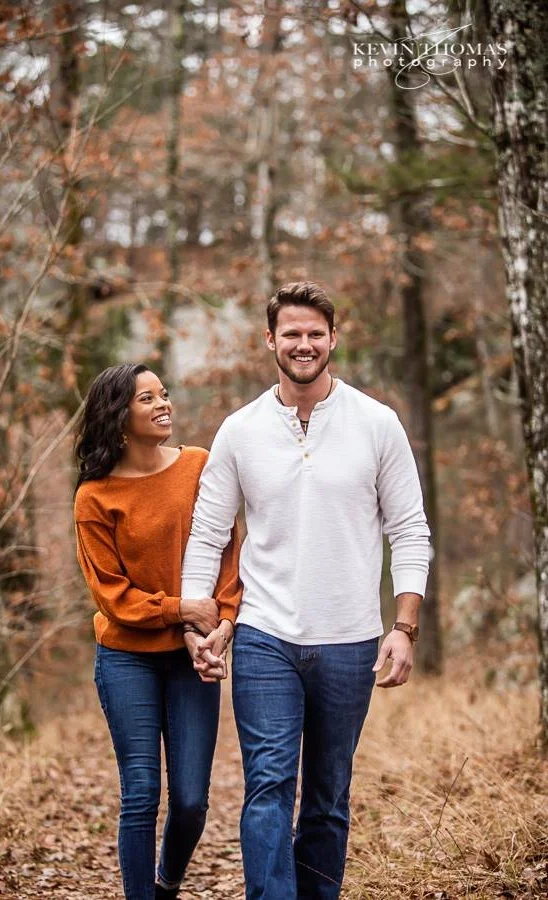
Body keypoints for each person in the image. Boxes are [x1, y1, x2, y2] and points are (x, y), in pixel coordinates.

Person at [183, 282, 430, 900]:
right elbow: (207, 533)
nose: (303, 344)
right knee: (268, 785)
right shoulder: (239, 431)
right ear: (270, 340)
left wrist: (404, 627)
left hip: (350, 641)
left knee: (327, 796)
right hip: (266, 636)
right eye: (291, 333)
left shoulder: (377, 423)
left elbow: (410, 530)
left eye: (314, 334)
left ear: (333, 340)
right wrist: (195, 620)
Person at [73, 363, 241, 900]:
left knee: (191, 800)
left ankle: (167, 883)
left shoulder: (198, 465)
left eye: (163, 394)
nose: (164, 403)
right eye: (147, 398)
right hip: (127, 658)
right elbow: (111, 595)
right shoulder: (94, 497)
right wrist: (179, 610)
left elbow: (229, 553)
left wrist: (222, 620)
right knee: (142, 793)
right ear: (118, 418)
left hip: (194, 659)